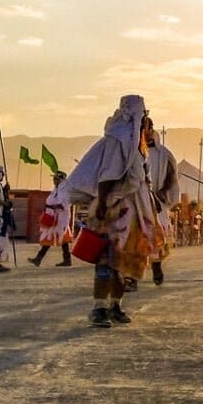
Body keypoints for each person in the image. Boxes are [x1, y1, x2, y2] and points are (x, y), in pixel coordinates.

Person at [64, 95, 166, 328]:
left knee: (125, 261)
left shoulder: (137, 145)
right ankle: (99, 308)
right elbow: (108, 174)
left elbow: (142, 179)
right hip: (114, 209)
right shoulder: (118, 139)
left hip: (135, 210)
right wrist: (101, 204)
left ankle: (115, 305)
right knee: (107, 260)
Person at [146, 124, 179, 287]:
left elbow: (171, 179)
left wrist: (160, 197)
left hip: (156, 201)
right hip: (132, 201)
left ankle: (156, 267)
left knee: (155, 238)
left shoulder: (164, 155)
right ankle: (130, 277)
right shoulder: (129, 152)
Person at [28, 171, 74, 267]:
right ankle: (65, 260)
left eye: (56, 179)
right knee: (55, 237)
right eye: (54, 179)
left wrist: (54, 207)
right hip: (53, 216)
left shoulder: (64, 190)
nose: (54, 181)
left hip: (60, 217)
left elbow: (66, 203)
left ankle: (39, 259)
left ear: (60, 180)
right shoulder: (56, 189)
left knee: (58, 237)